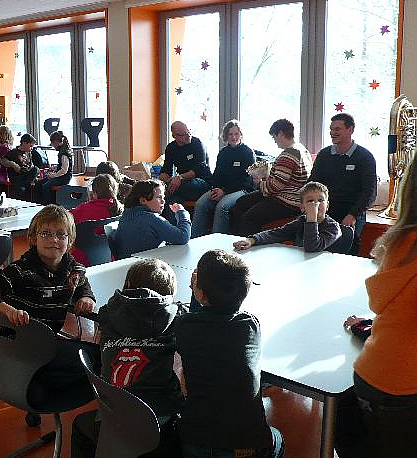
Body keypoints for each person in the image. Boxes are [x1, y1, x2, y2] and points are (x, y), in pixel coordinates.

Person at [0, 205, 100, 407]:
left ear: (70, 241)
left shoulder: (73, 269)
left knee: (92, 359)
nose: (54, 240)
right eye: (46, 233)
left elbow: (83, 286)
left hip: (46, 341)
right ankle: (38, 379)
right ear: (33, 238)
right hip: (23, 342)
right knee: (97, 358)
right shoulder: (21, 270)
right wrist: (9, 310)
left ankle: (36, 380)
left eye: (61, 234)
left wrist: (87, 298)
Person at [335, 159, 417, 458]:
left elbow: (392, 308)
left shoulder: (401, 241)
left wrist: (368, 326)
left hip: (372, 376)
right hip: (403, 391)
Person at [71, 258, 185, 458]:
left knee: (80, 425)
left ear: (128, 285)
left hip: (112, 415)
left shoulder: (107, 313)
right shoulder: (176, 317)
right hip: (158, 421)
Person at [176, 249, 285, 457]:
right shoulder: (250, 325)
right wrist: (201, 290)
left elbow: (197, 322)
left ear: (200, 292)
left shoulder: (185, 326)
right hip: (246, 445)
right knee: (278, 437)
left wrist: (196, 293)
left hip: (196, 440)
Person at [230, 118, 313, 237]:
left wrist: (258, 182)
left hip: (287, 201)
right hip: (293, 196)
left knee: (249, 217)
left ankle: (248, 242)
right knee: (241, 202)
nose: (275, 141)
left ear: (281, 134)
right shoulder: (302, 149)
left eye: (274, 137)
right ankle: (238, 238)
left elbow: (274, 187)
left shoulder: (289, 154)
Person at [308, 113, 377, 255]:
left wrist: (353, 215)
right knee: (315, 244)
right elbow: (312, 183)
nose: (332, 133)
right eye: (331, 129)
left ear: (350, 130)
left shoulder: (365, 157)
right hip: (326, 209)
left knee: (348, 245)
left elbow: (369, 192)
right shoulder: (324, 155)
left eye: (337, 129)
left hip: (352, 210)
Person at [233, 181, 341, 253]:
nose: (316, 204)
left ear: (327, 205)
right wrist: (252, 240)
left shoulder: (332, 228)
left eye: (320, 200)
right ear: (302, 207)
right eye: (310, 201)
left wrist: (312, 220)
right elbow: (278, 233)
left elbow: (312, 248)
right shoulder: (301, 221)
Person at [191, 120, 255, 238]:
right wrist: (216, 188)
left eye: (236, 134)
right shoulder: (223, 153)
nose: (234, 137)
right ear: (226, 136)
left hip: (242, 190)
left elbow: (245, 180)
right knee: (200, 204)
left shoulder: (247, 153)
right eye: (230, 134)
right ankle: (195, 239)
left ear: (241, 134)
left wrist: (224, 191)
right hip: (222, 189)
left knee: (222, 207)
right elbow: (217, 175)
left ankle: (218, 242)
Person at [111, 179, 191, 259]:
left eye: (163, 197)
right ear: (143, 200)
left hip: (124, 264)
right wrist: (182, 213)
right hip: (142, 264)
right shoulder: (151, 218)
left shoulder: (125, 216)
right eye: (159, 197)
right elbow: (183, 236)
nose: (163, 201)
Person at [69, 173, 123, 266]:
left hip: (82, 260)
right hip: (111, 259)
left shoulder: (83, 209)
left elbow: (65, 219)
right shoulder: (121, 210)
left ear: (94, 193)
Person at [160, 121, 212, 206]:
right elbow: (166, 170)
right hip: (182, 185)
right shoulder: (171, 148)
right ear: (175, 136)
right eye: (183, 134)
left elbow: (198, 169)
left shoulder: (197, 144)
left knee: (177, 187)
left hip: (201, 182)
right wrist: (165, 182)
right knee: (169, 201)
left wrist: (180, 177)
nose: (188, 136)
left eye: (188, 132)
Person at [35, 130, 73, 205]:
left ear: (56, 142)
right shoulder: (62, 152)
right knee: (39, 183)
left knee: (46, 186)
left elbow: (64, 170)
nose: (52, 145)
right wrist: (54, 168)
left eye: (53, 143)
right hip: (61, 176)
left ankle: (47, 204)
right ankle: (38, 202)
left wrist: (52, 175)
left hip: (64, 178)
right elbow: (62, 166)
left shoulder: (64, 154)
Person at [4, 133, 39, 200]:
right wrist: (13, 164)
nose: (31, 148)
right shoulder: (13, 152)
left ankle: (24, 187)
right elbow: (3, 161)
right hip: (17, 176)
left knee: (36, 169)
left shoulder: (29, 153)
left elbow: (31, 166)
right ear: (24, 143)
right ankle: (24, 187)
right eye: (30, 146)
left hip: (25, 176)